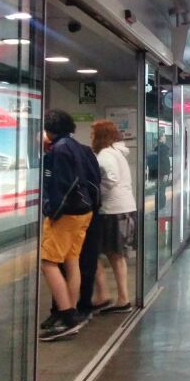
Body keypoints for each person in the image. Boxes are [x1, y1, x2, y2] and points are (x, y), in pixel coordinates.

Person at [39, 109, 100, 341]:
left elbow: (63, 185)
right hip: (83, 212)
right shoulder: (75, 145)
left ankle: (66, 315)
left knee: (47, 263)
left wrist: (52, 211)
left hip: (67, 213)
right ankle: (71, 310)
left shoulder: (60, 149)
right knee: (71, 260)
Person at [89, 121, 137, 314]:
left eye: (93, 134)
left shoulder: (106, 154)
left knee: (108, 254)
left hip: (112, 209)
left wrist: (96, 192)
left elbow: (110, 178)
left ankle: (118, 298)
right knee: (116, 255)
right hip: (123, 207)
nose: (91, 137)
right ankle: (119, 297)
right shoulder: (117, 153)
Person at [156, 132, 171, 210]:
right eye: (164, 136)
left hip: (159, 172)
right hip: (162, 173)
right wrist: (166, 173)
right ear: (161, 138)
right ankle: (161, 207)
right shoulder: (163, 149)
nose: (165, 137)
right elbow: (165, 162)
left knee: (160, 189)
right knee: (162, 190)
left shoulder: (158, 148)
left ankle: (160, 206)